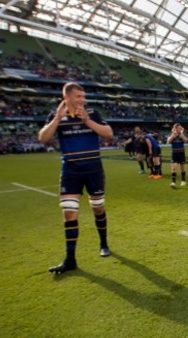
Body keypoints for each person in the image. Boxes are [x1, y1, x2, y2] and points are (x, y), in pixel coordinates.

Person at [38, 82, 114, 274]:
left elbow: (109, 134)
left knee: (98, 208)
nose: (82, 100)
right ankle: (70, 259)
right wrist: (56, 119)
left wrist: (87, 120)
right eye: (78, 96)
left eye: (83, 96)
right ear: (67, 98)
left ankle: (104, 243)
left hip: (93, 169)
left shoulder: (93, 113)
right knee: (69, 213)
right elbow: (43, 139)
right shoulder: (56, 116)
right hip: (70, 171)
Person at [166, 123, 188, 188]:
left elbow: (186, 141)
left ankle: (183, 181)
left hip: (181, 153)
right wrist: (173, 135)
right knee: (173, 168)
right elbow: (168, 142)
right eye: (178, 128)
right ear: (175, 128)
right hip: (174, 153)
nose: (179, 129)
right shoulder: (172, 135)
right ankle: (173, 182)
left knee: (183, 168)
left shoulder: (182, 135)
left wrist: (181, 134)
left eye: (180, 128)